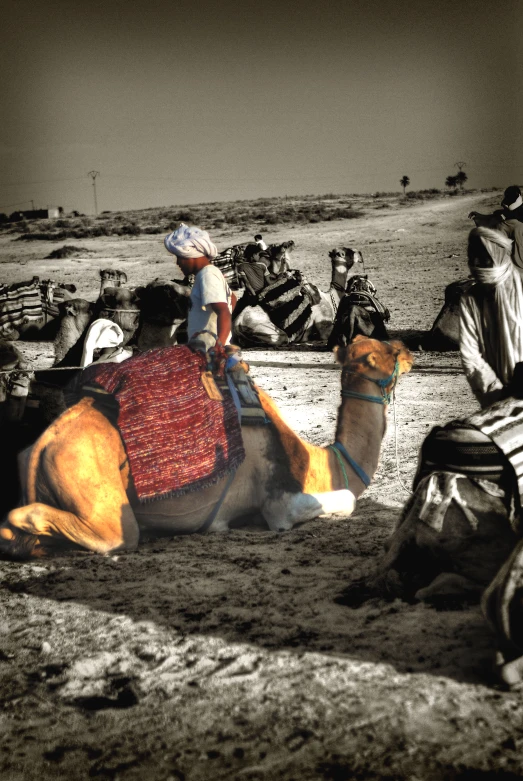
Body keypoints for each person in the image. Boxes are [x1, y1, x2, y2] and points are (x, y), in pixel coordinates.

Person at [459, 226, 523, 408]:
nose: (476, 263)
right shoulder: (470, 299)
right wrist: (499, 396)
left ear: (498, 257)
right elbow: (471, 356)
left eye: (484, 259)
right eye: (472, 258)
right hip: (496, 398)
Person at [164, 224, 236, 350]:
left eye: (179, 258)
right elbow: (233, 299)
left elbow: (223, 311)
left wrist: (219, 346)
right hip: (204, 349)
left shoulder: (207, 275)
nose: (177, 263)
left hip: (209, 352)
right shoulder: (209, 273)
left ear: (190, 256)